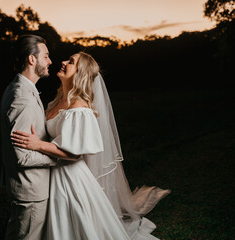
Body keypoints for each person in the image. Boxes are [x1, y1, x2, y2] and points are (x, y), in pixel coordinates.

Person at [11, 51, 171, 239]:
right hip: (51, 173)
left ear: (80, 73)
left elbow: (74, 154)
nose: (63, 62)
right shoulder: (57, 101)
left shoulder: (80, 109)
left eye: (70, 62)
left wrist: (38, 145)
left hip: (69, 179)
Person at [0, 35, 78, 240]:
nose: (51, 62)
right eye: (46, 56)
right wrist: (59, 157)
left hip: (27, 188)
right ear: (32, 59)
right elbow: (23, 157)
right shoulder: (22, 97)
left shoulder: (20, 88)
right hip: (30, 191)